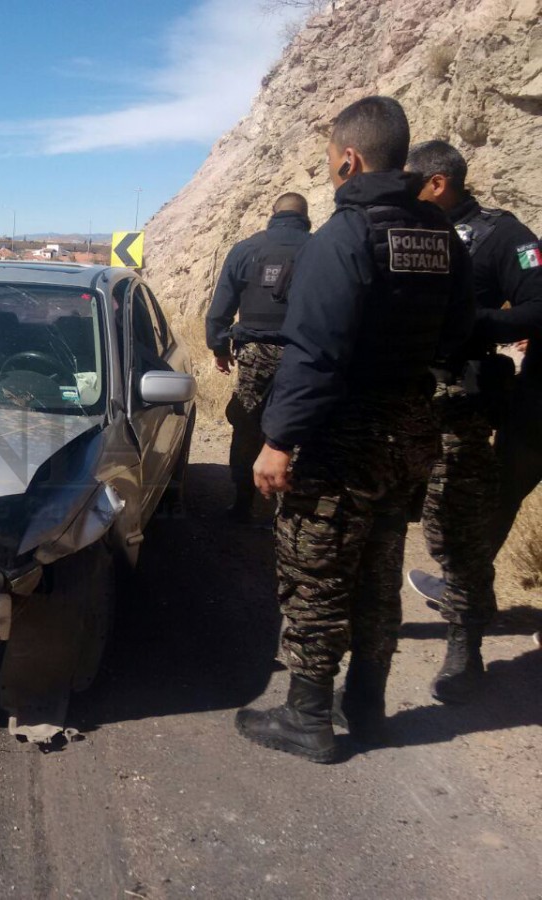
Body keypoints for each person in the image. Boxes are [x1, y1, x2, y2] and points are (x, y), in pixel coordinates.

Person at [236, 96, 474, 763]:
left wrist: (278, 440)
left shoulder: (343, 237)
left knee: (315, 573)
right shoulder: (438, 234)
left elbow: (315, 352)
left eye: (330, 160)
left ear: (348, 158)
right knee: (379, 569)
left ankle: (307, 716)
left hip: (344, 438)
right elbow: (458, 333)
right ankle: (366, 707)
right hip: (411, 432)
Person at [403, 141, 542, 702]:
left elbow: (538, 306)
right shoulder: (404, 230)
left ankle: (466, 649)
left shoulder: (502, 235)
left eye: (412, 180)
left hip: (460, 407)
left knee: (457, 530)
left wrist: (472, 323)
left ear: (439, 183)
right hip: (398, 403)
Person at [206, 192, 312, 521]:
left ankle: (242, 503)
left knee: (247, 425)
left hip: (255, 355)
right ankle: (289, 508)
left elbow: (219, 310)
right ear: (305, 216)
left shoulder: (246, 249)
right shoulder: (321, 248)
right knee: (296, 427)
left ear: (272, 213)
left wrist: (220, 348)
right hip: (303, 354)